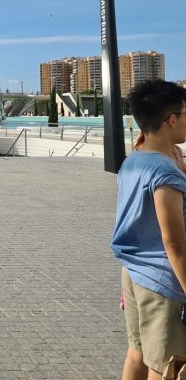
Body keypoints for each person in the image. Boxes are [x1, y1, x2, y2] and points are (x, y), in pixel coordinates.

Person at [111, 79, 186, 379]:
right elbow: (174, 244)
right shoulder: (165, 172)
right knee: (165, 366)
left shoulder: (134, 161)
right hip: (163, 281)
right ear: (172, 120)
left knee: (138, 353)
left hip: (133, 272)